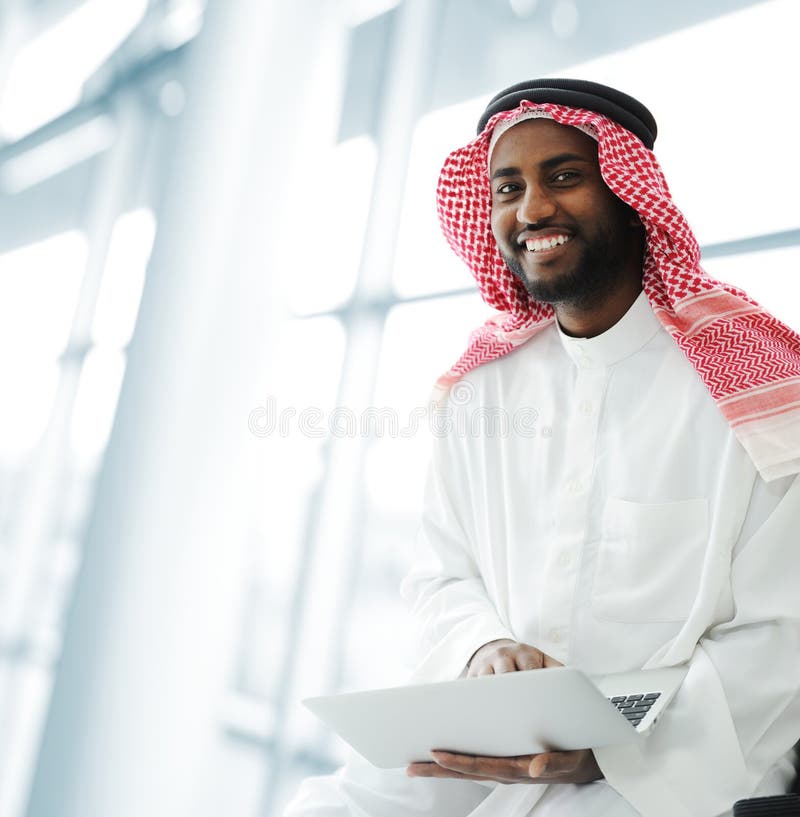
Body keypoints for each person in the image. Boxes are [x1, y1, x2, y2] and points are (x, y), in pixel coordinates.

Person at [284, 79, 800, 817]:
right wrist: (483, 645)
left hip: (683, 757)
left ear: (630, 195)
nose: (531, 210)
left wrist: (607, 749)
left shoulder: (759, 390)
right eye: (508, 187)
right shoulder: (480, 390)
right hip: (495, 729)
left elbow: (782, 638)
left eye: (564, 177)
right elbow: (441, 576)